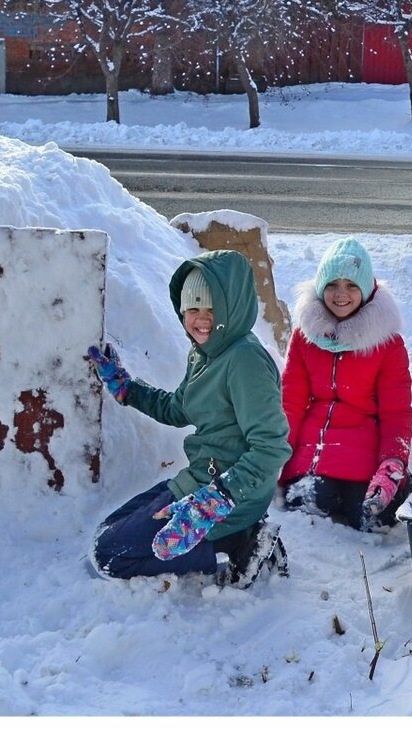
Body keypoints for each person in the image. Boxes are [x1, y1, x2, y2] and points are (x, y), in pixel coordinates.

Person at [88, 250, 292, 587]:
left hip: (228, 494)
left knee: (112, 556)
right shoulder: (207, 353)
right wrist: (126, 388)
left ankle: (240, 544)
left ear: (232, 307)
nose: (201, 319)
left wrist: (219, 498)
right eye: (193, 309)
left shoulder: (245, 361)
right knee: (107, 534)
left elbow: (272, 447)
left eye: (212, 309)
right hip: (201, 482)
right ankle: (236, 536)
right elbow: (177, 408)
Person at [278, 236, 412, 531]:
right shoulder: (305, 337)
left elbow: (396, 412)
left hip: (366, 448)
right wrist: (277, 453)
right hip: (315, 448)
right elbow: (291, 400)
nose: (341, 294)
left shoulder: (387, 344)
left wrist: (393, 462)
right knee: (306, 503)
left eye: (352, 285)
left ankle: (402, 484)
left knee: (369, 516)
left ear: (365, 289)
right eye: (332, 285)